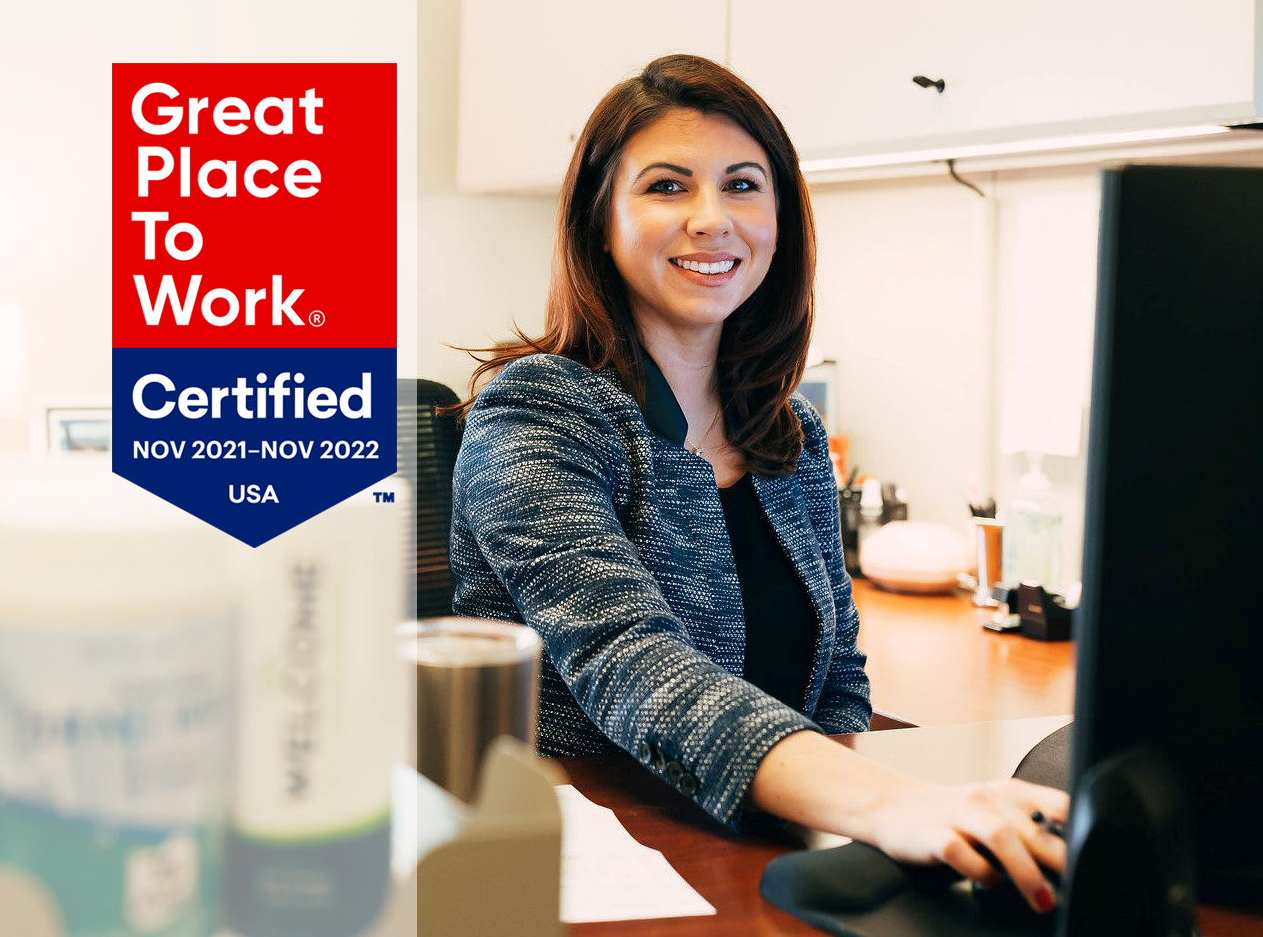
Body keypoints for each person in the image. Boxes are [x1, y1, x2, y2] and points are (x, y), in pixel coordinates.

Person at [449, 54, 1068, 915]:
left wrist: (876, 826)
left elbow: (837, 683)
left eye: (743, 185)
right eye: (667, 187)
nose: (712, 219)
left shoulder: (789, 436)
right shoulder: (539, 414)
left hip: (759, 851)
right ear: (599, 221)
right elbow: (634, 666)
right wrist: (895, 805)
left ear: (780, 217)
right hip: (596, 859)